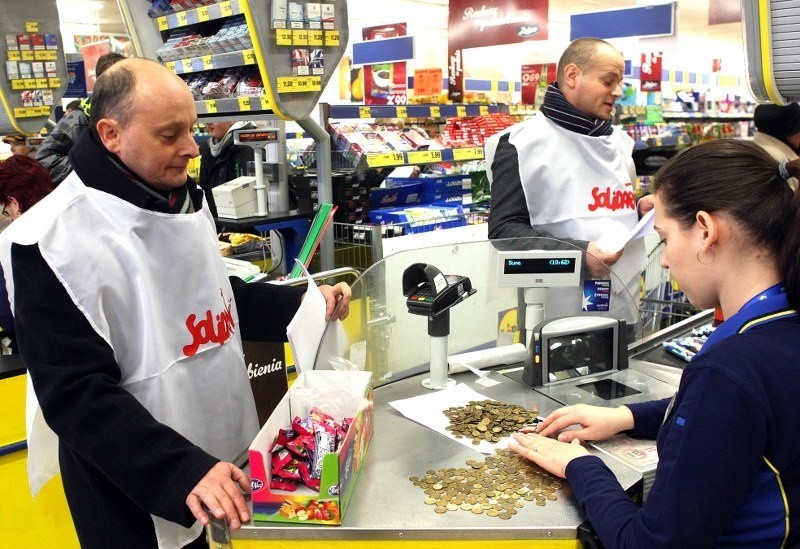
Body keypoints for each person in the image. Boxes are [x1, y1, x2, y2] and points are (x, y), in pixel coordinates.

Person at [0, 57, 351, 549]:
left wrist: (306, 304)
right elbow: (75, 394)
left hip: (219, 453)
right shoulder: (47, 241)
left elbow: (215, 294)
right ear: (110, 134)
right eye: (170, 135)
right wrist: (182, 471)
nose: (191, 148)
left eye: (191, 129)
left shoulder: (183, 199)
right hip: (135, 489)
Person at [509, 139, 800, 547]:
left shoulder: (731, 368)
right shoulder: (779, 324)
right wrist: (627, 416)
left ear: (705, 230)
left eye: (663, 239)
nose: (663, 260)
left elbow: (649, 543)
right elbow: (736, 418)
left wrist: (581, 466)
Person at [485, 37, 651, 326]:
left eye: (620, 83)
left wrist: (639, 208)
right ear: (573, 75)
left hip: (624, 305)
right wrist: (580, 253)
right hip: (552, 312)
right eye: (609, 81)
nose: (618, 92)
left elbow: (603, 208)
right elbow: (504, 230)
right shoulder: (520, 145)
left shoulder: (621, 142)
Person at [35, 52, 126, 185]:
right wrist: (94, 168)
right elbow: (45, 161)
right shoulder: (79, 119)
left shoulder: (135, 112)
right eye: (115, 81)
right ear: (100, 83)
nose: (122, 88)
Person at [0, 155, 55, 348]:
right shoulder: (77, 218)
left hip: (43, 349)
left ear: (14, 202)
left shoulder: (13, 239)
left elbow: (11, 316)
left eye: (6, 210)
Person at [198, 120, 256, 218]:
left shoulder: (246, 147)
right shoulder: (208, 149)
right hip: (216, 222)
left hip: (238, 224)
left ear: (232, 120)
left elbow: (246, 197)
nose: (208, 122)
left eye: (215, 118)